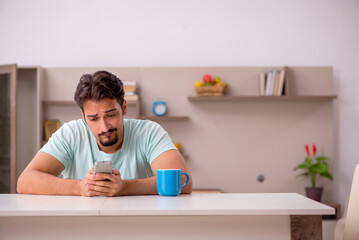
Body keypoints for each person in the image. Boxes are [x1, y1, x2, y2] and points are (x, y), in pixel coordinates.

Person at [17, 70, 192, 197]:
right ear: (84, 117)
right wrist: (80, 187)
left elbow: (183, 183)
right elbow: (25, 181)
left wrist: (125, 187)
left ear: (123, 108)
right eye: (93, 118)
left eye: (111, 115)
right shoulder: (71, 133)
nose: (104, 127)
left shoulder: (149, 132)